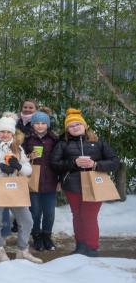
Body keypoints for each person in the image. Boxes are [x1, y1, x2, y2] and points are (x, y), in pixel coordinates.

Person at [51, 109, 119, 257]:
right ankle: (80, 246)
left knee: (89, 216)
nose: (75, 127)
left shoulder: (98, 142)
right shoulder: (63, 144)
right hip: (72, 184)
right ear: (67, 129)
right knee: (77, 215)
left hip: (95, 184)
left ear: (85, 125)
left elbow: (114, 162)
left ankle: (92, 247)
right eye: (71, 125)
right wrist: (73, 162)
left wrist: (95, 164)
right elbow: (55, 164)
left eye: (78, 124)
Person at [0, 116, 42, 263]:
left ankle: (22, 250)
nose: (5, 135)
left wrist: (18, 166)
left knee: (26, 220)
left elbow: (28, 170)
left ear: (12, 133)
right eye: (2, 131)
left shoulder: (17, 148)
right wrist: (0, 166)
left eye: (8, 132)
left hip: (15, 190)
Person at [23, 111, 60, 252]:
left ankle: (47, 236)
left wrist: (59, 179)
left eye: (43, 123)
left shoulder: (54, 139)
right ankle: (37, 236)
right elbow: (21, 158)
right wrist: (28, 156)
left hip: (50, 179)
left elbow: (59, 159)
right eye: (37, 123)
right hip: (33, 180)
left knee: (50, 212)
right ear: (32, 124)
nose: (40, 126)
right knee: (35, 211)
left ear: (47, 125)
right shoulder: (27, 139)